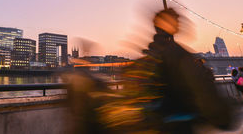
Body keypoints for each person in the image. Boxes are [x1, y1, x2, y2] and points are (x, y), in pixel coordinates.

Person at [98, 8, 234, 133]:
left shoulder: (150, 57)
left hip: (155, 126)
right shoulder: (178, 55)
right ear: (170, 25)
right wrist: (223, 118)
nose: (180, 24)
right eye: (177, 21)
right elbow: (203, 95)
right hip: (180, 127)